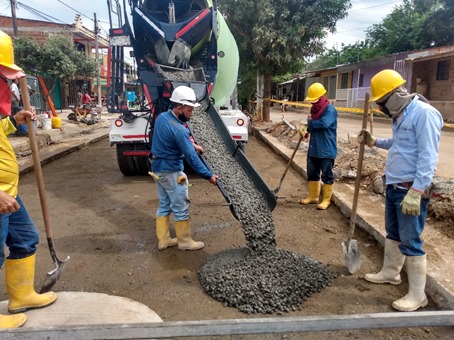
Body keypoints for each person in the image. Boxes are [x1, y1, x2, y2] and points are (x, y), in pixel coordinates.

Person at [358, 69, 443, 312]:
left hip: (410, 189)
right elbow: (400, 143)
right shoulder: (401, 114)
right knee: (393, 232)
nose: (382, 108)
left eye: (382, 103)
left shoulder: (424, 115)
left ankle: (418, 295)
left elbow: (428, 156)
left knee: (411, 239)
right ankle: (391, 273)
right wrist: (376, 142)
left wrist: (417, 191)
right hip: (394, 184)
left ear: (394, 96)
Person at [0, 29, 57, 328]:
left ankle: (21, 294)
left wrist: (13, 121)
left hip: (9, 192)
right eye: (3, 78)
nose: (6, 85)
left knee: (25, 240)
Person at [151, 85, 218, 251]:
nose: (191, 114)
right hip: (172, 172)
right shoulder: (179, 129)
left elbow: (173, 140)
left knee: (164, 205)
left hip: (158, 170)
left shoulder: (163, 117)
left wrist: (192, 144)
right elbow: (192, 158)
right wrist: (208, 175)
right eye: (189, 111)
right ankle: (185, 241)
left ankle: (164, 240)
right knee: (181, 207)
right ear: (179, 107)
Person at [299, 82, 337, 210]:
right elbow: (313, 124)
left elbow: (323, 124)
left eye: (314, 101)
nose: (312, 103)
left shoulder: (330, 110)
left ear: (321, 97)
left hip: (326, 148)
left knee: (327, 174)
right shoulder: (314, 110)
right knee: (312, 172)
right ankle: (313, 196)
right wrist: (305, 129)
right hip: (314, 147)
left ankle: (326, 200)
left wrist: (309, 123)